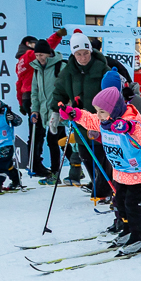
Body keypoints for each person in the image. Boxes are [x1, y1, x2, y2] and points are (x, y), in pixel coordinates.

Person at [59, 87, 141, 255]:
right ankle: (127, 230)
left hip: (138, 169)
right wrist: (75, 114)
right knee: (120, 202)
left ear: (114, 109)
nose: (99, 115)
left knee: (131, 204)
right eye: (98, 111)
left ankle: (139, 237)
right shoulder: (105, 121)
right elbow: (90, 119)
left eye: (102, 111)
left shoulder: (130, 119)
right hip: (121, 170)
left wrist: (129, 127)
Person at [50, 29, 113, 197]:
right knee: (86, 155)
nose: (83, 58)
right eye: (79, 54)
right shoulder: (68, 72)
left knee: (101, 157)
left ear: (91, 51)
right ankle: (98, 185)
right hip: (80, 122)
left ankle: (105, 190)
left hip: (101, 121)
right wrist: (55, 112)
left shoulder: (102, 69)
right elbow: (59, 93)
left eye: (86, 53)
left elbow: (112, 92)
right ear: (73, 54)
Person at [19, 29, 65, 177]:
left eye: (41, 55)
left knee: (57, 141)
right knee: (56, 141)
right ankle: (57, 170)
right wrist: (35, 110)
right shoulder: (35, 66)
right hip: (44, 110)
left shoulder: (58, 65)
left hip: (57, 109)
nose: (39, 57)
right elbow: (35, 91)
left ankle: (59, 170)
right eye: (37, 54)